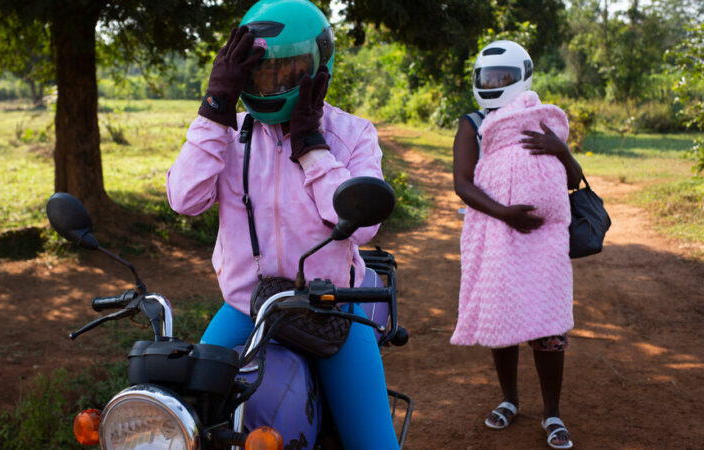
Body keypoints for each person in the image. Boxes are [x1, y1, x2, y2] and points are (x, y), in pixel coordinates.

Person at [166, 1, 398, 449]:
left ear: (318, 66)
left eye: (287, 71)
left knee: (374, 444)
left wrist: (312, 146)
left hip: (331, 309)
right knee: (191, 423)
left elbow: (363, 228)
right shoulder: (227, 134)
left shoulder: (351, 135)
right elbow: (185, 200)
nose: (271, 84)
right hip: (246, 309)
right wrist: (215, 106)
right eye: (258, 71)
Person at [449, 40, 584, 450]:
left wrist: (561, 150)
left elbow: (574, 180)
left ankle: (552, 413)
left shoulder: (538, 118)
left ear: (522, 76)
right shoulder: (471, 124)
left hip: (541, 241)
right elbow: (462, 184)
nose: (494, 84)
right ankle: (509, 400)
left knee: (549, 324)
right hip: (496, 236)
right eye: (488, 78)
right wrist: (505, 213)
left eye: (502, 78)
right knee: (502, 319)